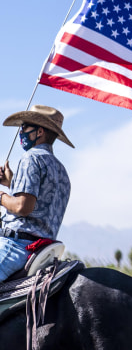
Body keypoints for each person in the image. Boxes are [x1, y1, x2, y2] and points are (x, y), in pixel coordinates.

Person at [0, 105, 73, 282]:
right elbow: (40, 204)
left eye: (25, 127)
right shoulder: (62, 171)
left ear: (39, 131)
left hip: (16, 246)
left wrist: (1, 196)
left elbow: (22, 207)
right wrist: (12, 184)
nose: (21, 131)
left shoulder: (31, 158)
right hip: (42, 250)